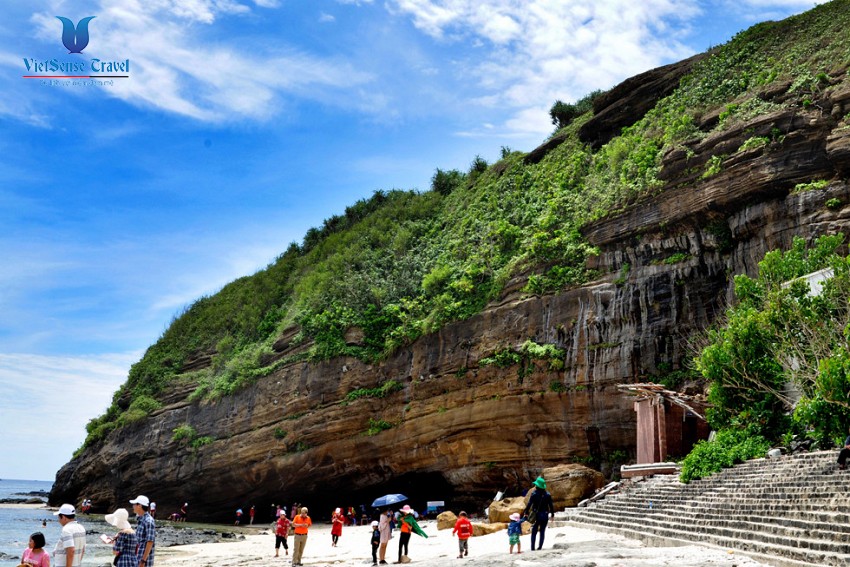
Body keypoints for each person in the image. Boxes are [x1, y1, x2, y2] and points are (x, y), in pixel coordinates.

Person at [522, 476, 555, 550]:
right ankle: (540, 547)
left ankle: (532, 547)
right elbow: (551, 506)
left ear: (537, 485)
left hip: (536, 515)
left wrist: (526, 512)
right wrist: (552, 514)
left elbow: (529, 504)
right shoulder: (548, 495)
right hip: (545, 514)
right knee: (542, 531)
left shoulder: (534, 494)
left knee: (534, 531)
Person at [130, 495, 155, 567]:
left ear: (139, 506)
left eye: (134, 504)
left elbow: (150, 542)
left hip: (144, 561)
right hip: (138, 557)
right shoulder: (140, 519)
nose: (133, 506)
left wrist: (143, 561)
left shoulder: (148, 521)